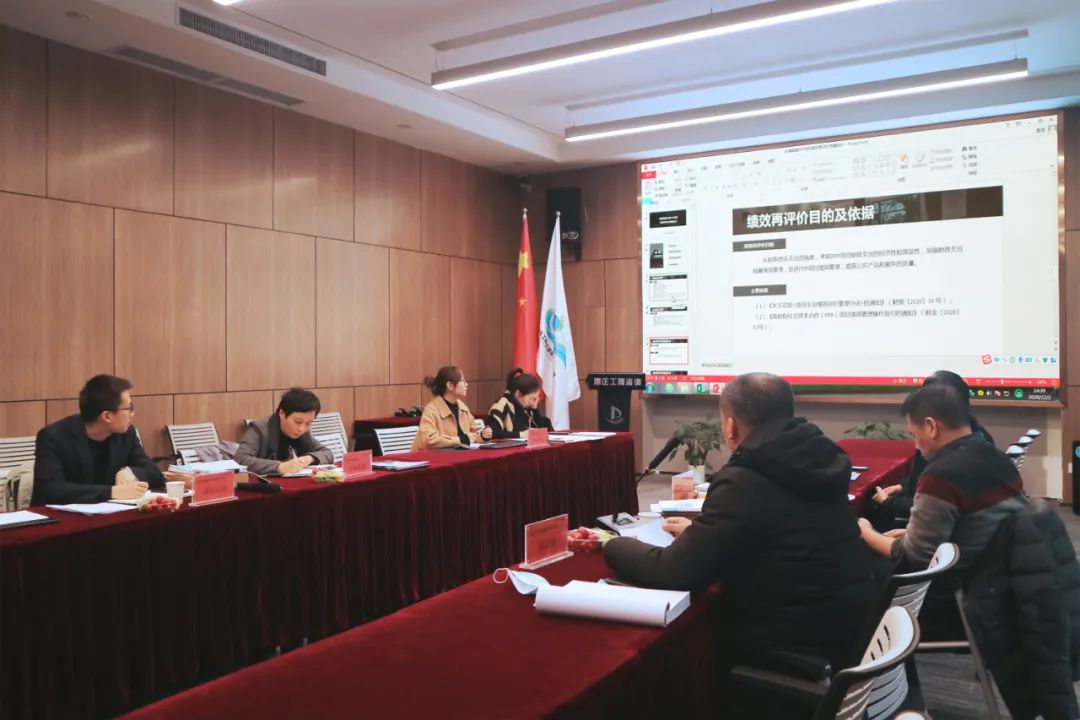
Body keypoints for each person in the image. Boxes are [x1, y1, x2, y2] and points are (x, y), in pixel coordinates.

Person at [603, 373, 888, 714]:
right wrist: (703, 532)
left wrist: (613, 543)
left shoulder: (746, 478)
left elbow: (673, 572)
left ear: (730, 426)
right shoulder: (819, 459)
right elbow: (780, 527)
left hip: (791, 645)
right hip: (846, 632)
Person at [858, 383, 1026, 637]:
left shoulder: (942, 475)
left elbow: (916, 557)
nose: (916, 445)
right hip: (1000, 583)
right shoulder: (997, 458)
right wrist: (911, 533)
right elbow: (973, 523)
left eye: (915, 435)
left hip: (958, 594)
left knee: (857, 568)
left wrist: (867, 533)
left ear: (931, 426)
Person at [867, 370, 994, 530]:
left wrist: (888, 503)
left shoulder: (958, 459)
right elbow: (919, 478)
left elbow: (934, 510)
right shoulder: (971, 437)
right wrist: (902, 487)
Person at [32, 374, 166, 504]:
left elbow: (155, 474)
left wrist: (130, 472)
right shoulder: (53, 437)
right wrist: (111, 492)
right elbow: (49, 489)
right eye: (129, 408)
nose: (133, 414)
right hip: (60, 516)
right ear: (107, 416)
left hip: (111, 513)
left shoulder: (126, 434)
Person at [235, 388, 333, 476]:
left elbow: (327, 453)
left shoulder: (304, 434)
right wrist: (279, 467)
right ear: (282, 413)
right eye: (298, 422)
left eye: (308, 423)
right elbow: (240, 459)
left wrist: (309, 458)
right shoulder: (259, 429)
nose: (301, 429)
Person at [411, 366, 492, 450]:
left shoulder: (462, 407)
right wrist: (459, 440)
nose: (466, 384)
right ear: (450, 385)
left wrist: (482, 435)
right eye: (463, 380)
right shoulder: (431, 410)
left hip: (456, 454)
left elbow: (473, 434)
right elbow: (428, 440)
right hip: (430, 457)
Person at [487, 368, 554, 439]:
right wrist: (520, 435)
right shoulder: (501, 406)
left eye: (535, 398)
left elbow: (540, 429)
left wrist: (535, 409)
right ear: (518, 393)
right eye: (531, 398)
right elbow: (492, 433)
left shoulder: (528, 407)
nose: (533, 401)